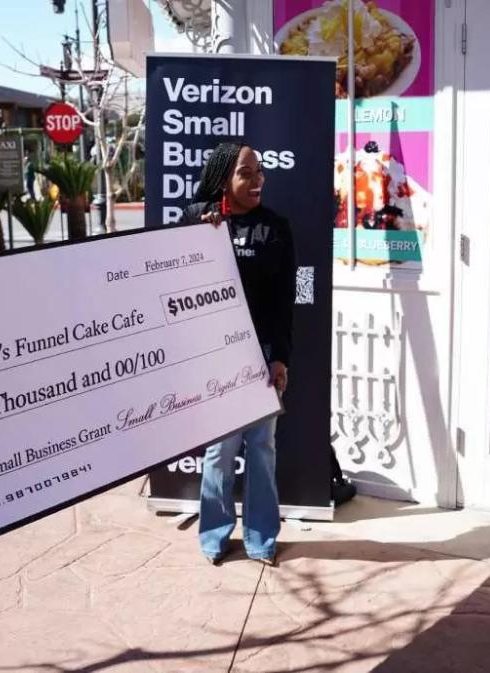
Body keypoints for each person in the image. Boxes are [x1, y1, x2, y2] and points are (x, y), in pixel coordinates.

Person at [179, 140, 296, 566]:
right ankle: (213, 535)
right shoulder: (197, 220)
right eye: (246, 172)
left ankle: (261, 539)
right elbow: (175, 282)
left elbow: (285, 300)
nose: (257, 179)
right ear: (222, 178)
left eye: (259, 171)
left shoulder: (275, 227)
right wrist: (199, 232)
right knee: (219, 451)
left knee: (262, 447)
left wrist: (279, 356)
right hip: (213, 357)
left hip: (260, 356)